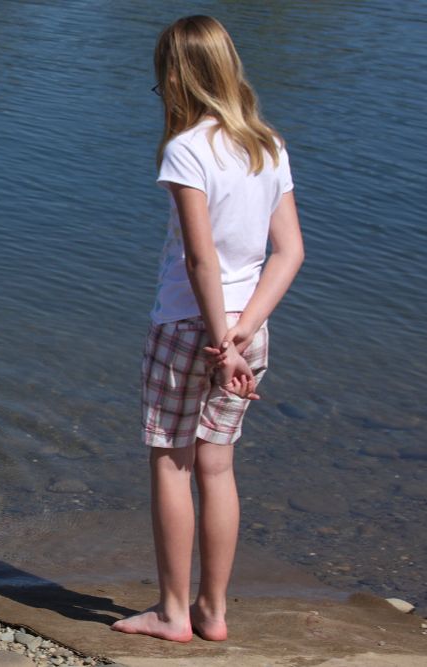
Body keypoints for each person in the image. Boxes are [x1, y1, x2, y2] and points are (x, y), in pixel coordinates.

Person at [111, 15, 304, 642]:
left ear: (175, 76)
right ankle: (213, 613)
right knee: (217, 468)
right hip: (251, 330)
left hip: (188, 326)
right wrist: (244, 335)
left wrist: (221, 345)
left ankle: (172, 614)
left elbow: (201, 260)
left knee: (172, 465)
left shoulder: (186, 149)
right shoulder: (266, 145)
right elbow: (290, 253)